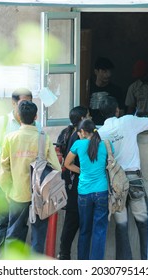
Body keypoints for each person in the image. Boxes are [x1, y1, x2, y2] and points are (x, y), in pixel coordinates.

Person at [0, 100, 61, 255]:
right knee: (38, 236)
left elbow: (4, 168)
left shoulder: (10, 138)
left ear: (19, 116)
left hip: (17, 194)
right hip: (40, 195)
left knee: (14, 233)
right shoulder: (43, 138)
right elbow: (56, 168)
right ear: (36, 117)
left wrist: (7, 189)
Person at [98, 95, 148, 260]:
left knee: (121, 226)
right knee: (144, 224)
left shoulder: (100, 133)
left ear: (101, 114)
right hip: (133, 179)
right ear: (117, 110)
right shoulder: (128, 121)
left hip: (115, 183)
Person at [0, 88, 40, 257]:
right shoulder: (1, 122)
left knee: (20, 223)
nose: (25, 106)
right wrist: (11, 160)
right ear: (13, 103)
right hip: (3, 177)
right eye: (22, 103)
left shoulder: (36, 125)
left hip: (26, 180)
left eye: (29, 103)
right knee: (3, 222)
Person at [64, 119, 109, 260]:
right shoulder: (106, 144)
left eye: (79, 132)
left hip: (84, 193)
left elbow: (67, 163)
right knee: (100, 230)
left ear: (83, 132)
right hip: (102, 191)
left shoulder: (78, 144)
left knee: (85, 230)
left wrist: (82, 171)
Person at [56, 106, 90, 260]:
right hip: (76, 185)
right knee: (72, 223)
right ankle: (64, 256)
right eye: (88, 116)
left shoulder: (71, 132)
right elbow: (70, 163)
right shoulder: (78, 137)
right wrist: (84, 172)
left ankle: (64, 255)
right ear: (82, 119)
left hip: (73, 185)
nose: (90, 118)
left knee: (72, 223)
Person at [89, 56, 124, 125]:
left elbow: (121, 111)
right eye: (104, 71)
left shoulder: (116, 90)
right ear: (96, 71)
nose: (108, 75)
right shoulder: (88, 89)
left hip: (111, 128)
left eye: (110, 71)